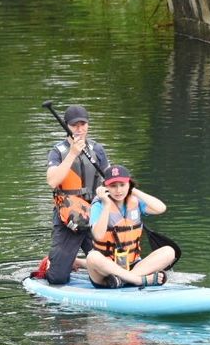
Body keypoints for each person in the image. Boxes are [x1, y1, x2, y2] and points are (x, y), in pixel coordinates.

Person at [43, 105, 110, 284]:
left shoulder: (97, 149)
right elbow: (52, 181)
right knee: (57, 278)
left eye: (83, 124)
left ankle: (78, 262)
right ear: (67, 126)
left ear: (88, 125)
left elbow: (110, 179)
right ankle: (53, 263)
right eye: (74, 125)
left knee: (112, 271)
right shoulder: (58, 152)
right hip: (69, 218)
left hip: (94, 214)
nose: (79, 129)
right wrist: (72, 153)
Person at [85, 165, 177, 288]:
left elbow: (161, 208)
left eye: (122, 185)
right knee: (92, 257)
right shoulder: (99, 205)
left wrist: (133, 191)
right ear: (105, 187)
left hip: (133, 265)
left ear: (129, 184)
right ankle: (138, 280)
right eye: (113, 186)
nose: (118, 190)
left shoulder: (135, 201)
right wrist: (106, 205)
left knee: (169, 251)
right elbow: (98, 235)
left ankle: (124, 279)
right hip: (106, 272)